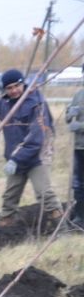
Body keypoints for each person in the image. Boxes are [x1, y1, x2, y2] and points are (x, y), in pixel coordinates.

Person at [0, 68, 62, 227]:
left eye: (16, 86)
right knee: (10, 197)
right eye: (9, 88)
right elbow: (3, 113)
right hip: (15, 158)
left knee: (44, 194)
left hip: (36, 157)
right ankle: (5, 230)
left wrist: (16, 159)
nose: (14, 91)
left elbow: (36, 137)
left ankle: (62, 229)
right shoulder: (6, 103)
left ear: (23, 84)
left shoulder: (36, 104)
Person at [65, 64, 84, 226]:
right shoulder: (78, 95)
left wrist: (81, 127)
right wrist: (69, 114)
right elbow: (68, 117)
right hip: (79, 148)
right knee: (78, 183)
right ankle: (80, 216)